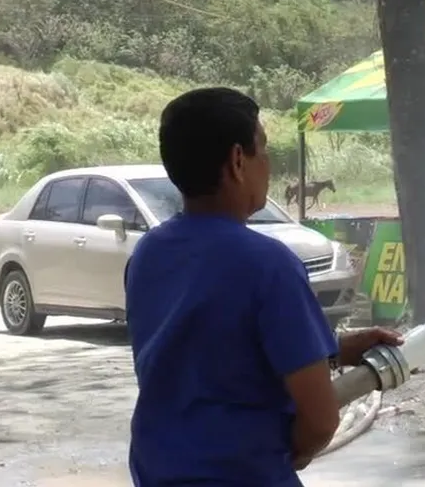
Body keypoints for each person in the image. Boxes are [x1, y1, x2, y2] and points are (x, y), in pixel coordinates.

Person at [124, 87, 403, 487]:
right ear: (238, 161)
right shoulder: (268, 263)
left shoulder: (148, 255)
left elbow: (208, 355)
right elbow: (321, 419)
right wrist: (295, 453)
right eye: (264, 150)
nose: (268, 165)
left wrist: (335, 350)